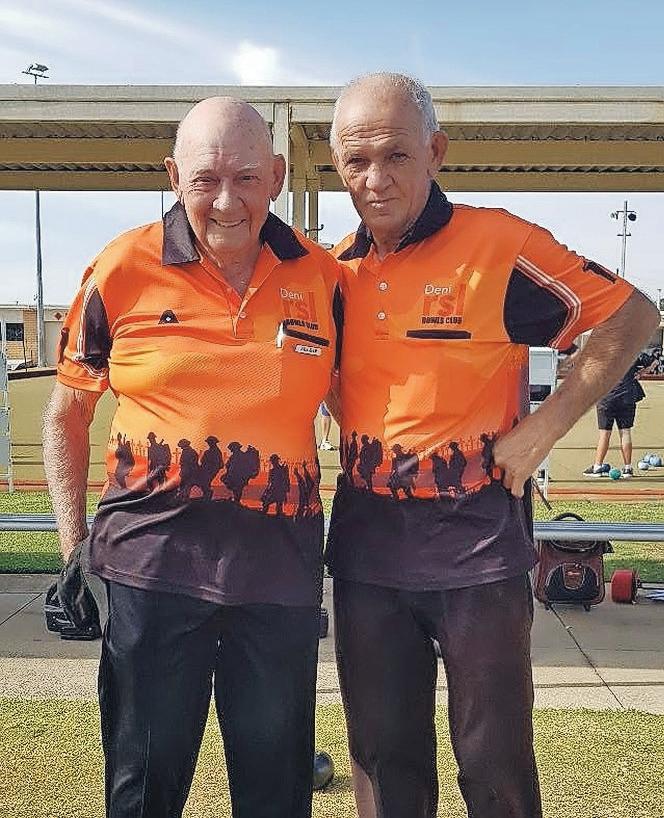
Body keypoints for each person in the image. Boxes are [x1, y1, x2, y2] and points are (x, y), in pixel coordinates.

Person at [325, 72, 660, 818]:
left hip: (477, 545)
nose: (375, 179)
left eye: (396, 155)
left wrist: (544, 428)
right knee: (382, 755)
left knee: (494, 762)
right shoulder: (333, 269)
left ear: (435, 151)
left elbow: (632, 315)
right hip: (367, 546)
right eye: (356, 161)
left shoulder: (500, 245)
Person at [43, 97, 341, 818]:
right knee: (143, 793)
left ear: (277, 176)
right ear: (174, 176)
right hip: (149, 577)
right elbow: (66, 414)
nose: (227, 201)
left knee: (276, 797)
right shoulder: (121, 267)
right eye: (206, 179)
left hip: (277, 580)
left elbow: (369, 404)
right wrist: (74, 549)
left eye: (247, 178)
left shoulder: (326, 277)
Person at [583, 351, 655, 478]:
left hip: (607, 398)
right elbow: (654, 362)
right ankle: (627, 468)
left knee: (605, 434)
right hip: (627, 396)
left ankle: (597, 467)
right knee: (625, 432)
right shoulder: (632, 351)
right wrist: (641, 373)